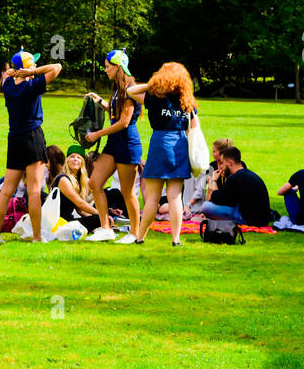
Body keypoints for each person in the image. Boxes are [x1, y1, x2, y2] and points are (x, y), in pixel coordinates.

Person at [120, 61, 197, 247]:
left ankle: (140, 236)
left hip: (159, 145)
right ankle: (176, 239)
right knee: (175, 196)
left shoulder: (155, 98)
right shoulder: (187, 102)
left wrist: (152, 84)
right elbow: (194, 128)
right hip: (179, 146)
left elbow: (130, 91)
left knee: (153, 197)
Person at [0, 51, 62, 244]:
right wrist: (33, 71)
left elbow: (11, 77)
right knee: (35, 191)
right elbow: (57, 67)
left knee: (6, 190)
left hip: (14, 138)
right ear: (26, 67)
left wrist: (18, 73)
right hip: (32, 138)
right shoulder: (31, 86)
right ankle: (37, 236)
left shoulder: (8, 86)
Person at [83, 50, 142, 241]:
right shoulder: (117, 88)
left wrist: (97, 134)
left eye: (108, 67)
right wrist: (100, 101)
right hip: (114, 142)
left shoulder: (130, 89)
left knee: (127, 192)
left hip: (127, 143)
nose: (105, 70)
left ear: (118, 67)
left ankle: (135, 233)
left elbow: (124, 122)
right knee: (95, 183)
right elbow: (116, 113)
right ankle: (105, 228)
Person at [199, 147, 274, 226]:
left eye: (222, 163)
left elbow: (217, 200)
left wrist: (213, 180)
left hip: (247, 219)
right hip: (261, 219)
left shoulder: (235, 178)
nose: (220, 167)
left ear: (230, 163)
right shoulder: (249, 174)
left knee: (205, 206)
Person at [45, 145, 100, 230]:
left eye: (78, 157)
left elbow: (80, 210)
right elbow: (80, 203)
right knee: (99, 219)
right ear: (67, 161)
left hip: (68, 220)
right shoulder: (63, 179)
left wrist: (98, 218)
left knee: (97, 219)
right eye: (72, 157)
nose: (75, 159)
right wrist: (102, 215)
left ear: (82, 162)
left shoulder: (78, 181)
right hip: (58, 222)